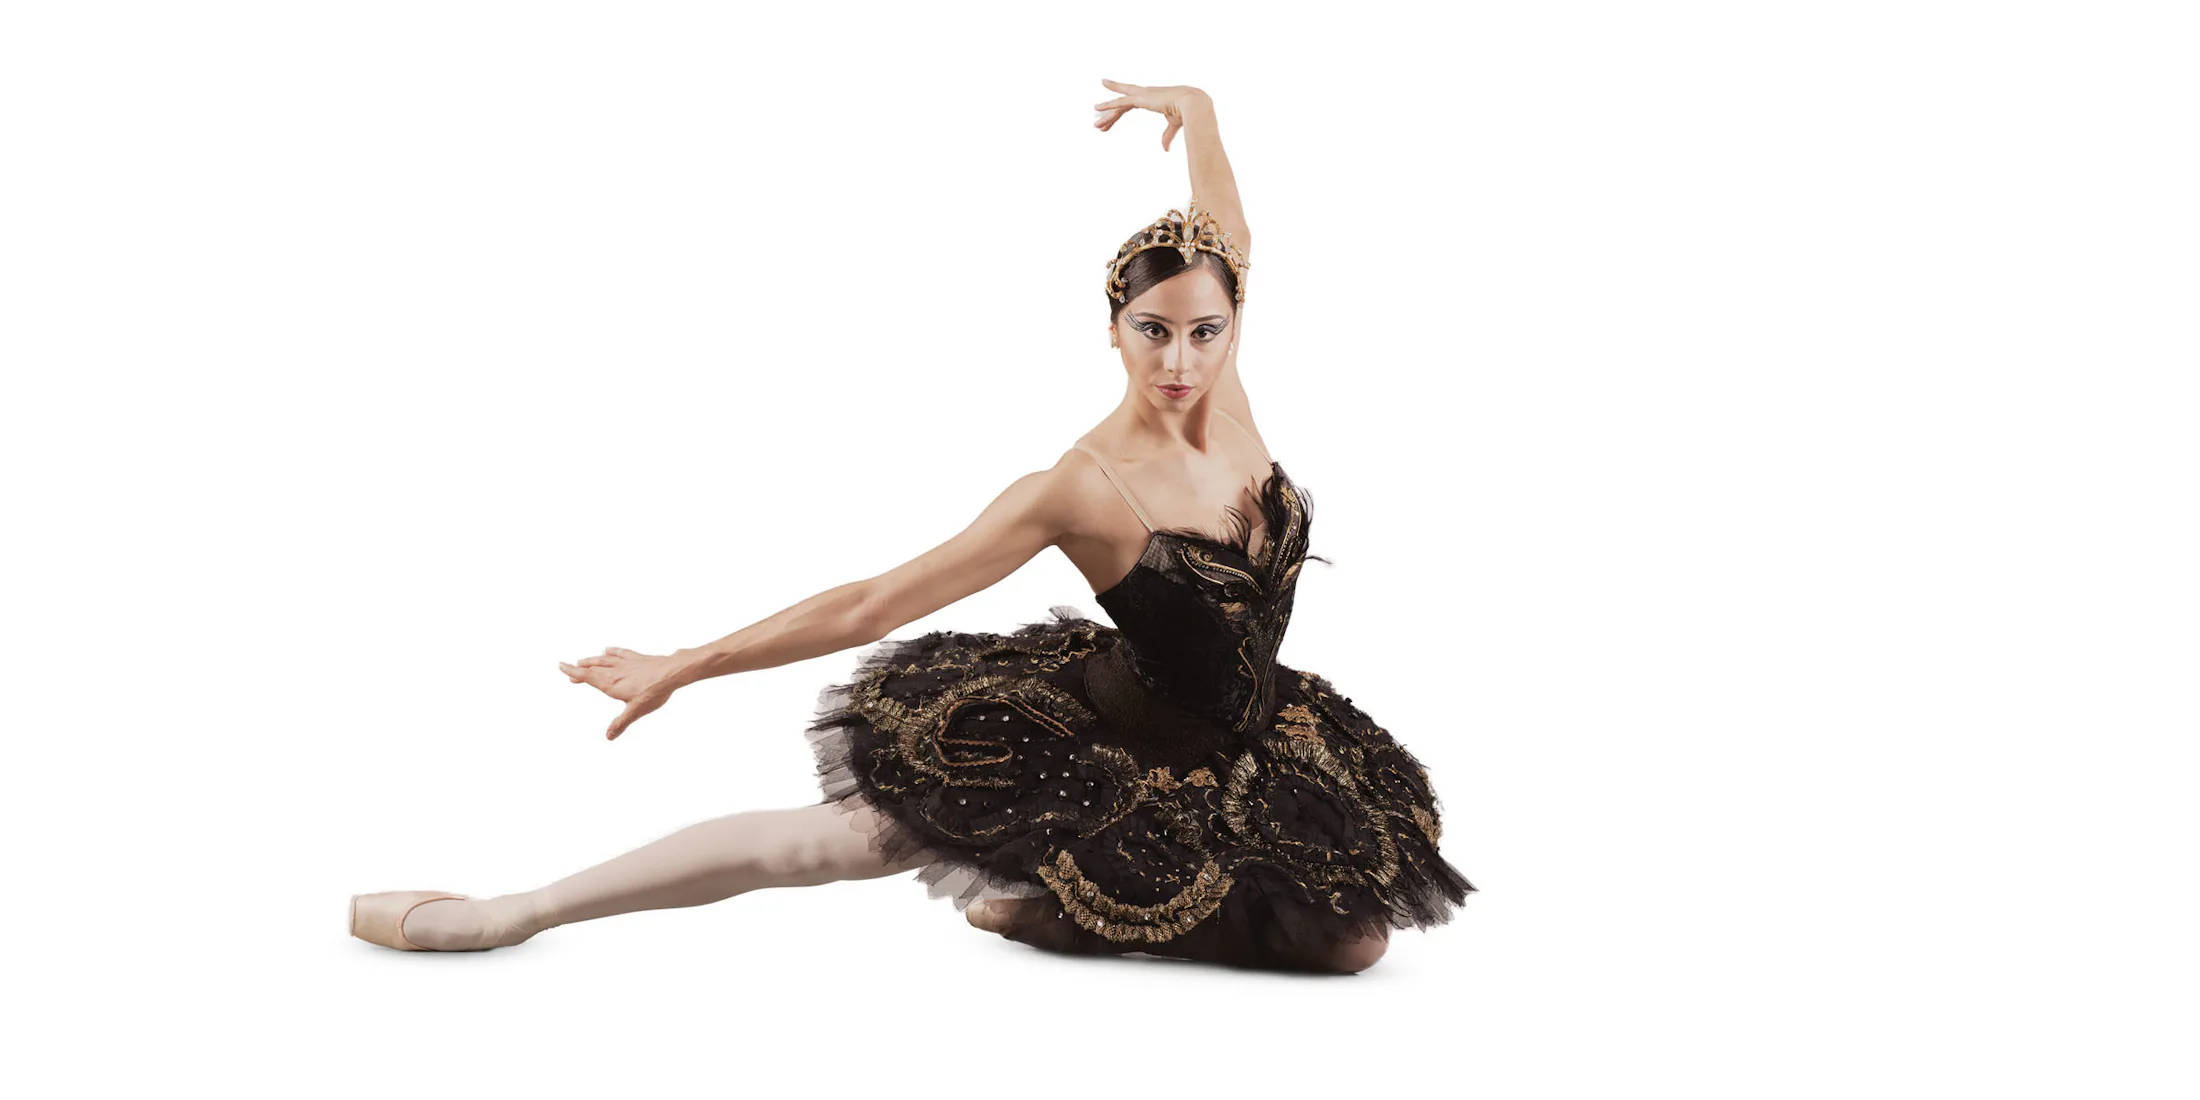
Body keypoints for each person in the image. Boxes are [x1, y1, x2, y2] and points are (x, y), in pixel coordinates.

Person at [349, 80, 1474, 973]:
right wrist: (688, 662)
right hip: (1106, 736)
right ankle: (515, 910)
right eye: (1152, 331)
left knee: (1350, 942)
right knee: (833, 845)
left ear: (1231, 320)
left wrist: (1198, 107)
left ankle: (1051, 910)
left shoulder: (1230, 396)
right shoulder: (1078, 487)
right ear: (1113, 328)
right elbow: (873, 601)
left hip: (1251, 737)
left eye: (1204, 331)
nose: (1179, 360)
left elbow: (1227, 222)